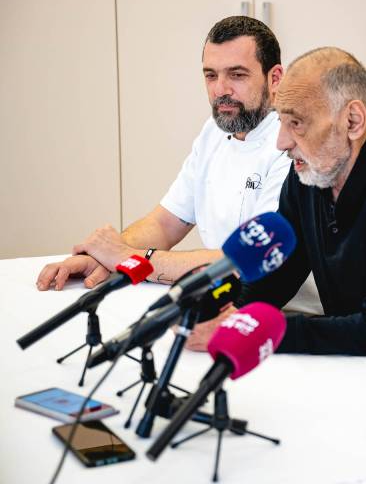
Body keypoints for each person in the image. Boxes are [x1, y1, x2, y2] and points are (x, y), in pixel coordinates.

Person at [187, 47, 366, 369]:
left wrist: (257, 331)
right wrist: (222, 314)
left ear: (353, 121)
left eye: (297, 123)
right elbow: (274, 281)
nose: (281, 142)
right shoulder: (309, 176)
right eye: (281, 121)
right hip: (363, 368)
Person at [35, 16, 320, 315]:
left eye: (236, 75)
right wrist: (100, 257)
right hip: (221, 304)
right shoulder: (213, 132)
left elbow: (245, 262)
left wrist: (126, 257)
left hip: (287, 318)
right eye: (211, 75)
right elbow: (165, 223)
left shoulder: (292, 145)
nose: (220, 89)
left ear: (275, 79)